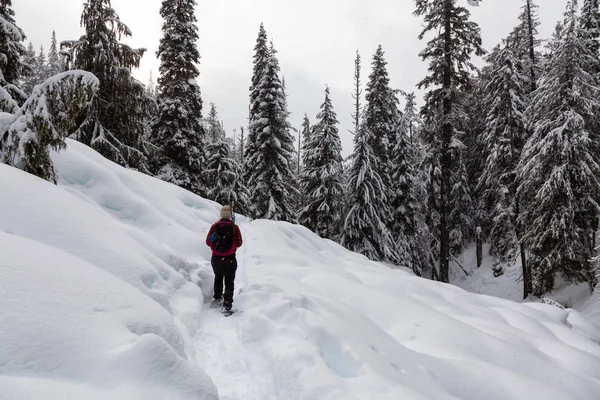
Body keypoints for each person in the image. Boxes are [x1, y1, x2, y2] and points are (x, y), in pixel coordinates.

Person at [206, 205, 243, 311]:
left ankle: (217, 298)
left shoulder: (215, 226)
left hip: (216, 259)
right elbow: (240, 243)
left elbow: (208, 242)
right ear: (230, 215)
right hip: (230, 258)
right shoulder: (234, 227)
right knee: (229, 280)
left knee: (218, 278)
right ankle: (227, 304)